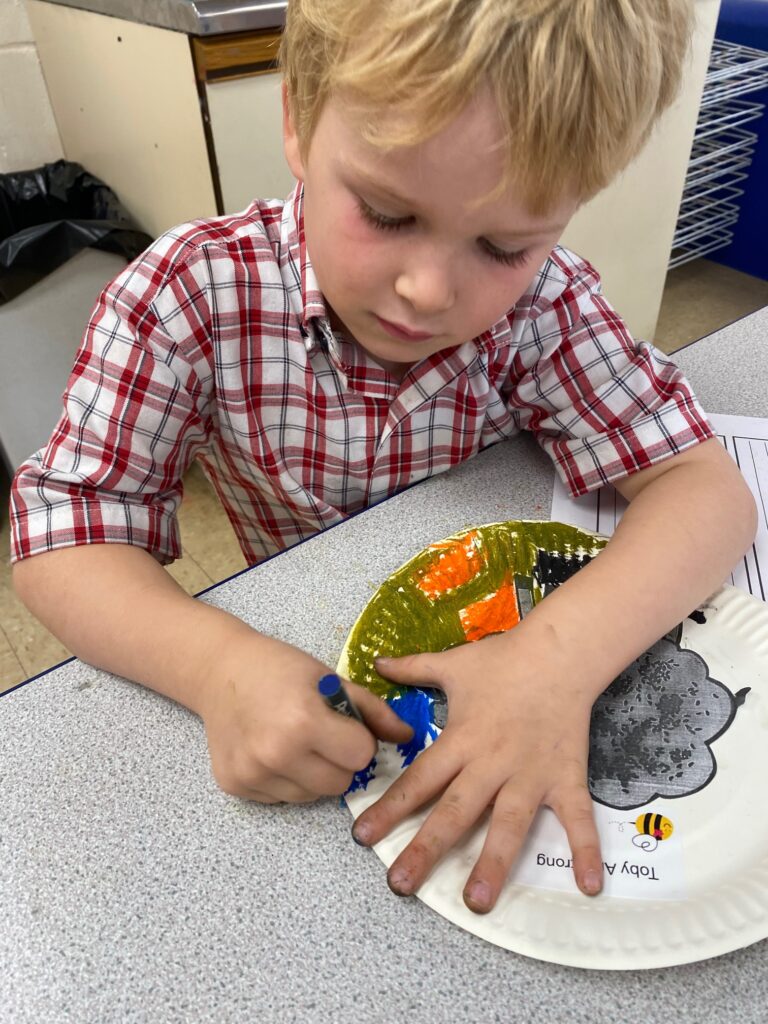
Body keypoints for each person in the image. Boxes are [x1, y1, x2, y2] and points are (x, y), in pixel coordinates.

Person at [9, 0, 756, 914]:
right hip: (304, 666)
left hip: (499, 650)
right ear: (297, 118)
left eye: (504, 244)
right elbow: (62, 535)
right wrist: (216, 668)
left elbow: (701, 487)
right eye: (386, 212)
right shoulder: (186, 295)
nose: (430, 290)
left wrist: (557, 659)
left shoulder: (543, 308)